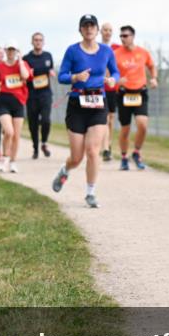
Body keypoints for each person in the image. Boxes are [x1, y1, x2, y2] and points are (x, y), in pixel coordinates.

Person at [52, 14, 118, 208]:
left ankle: (90, 192)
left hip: (98, 103)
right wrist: (76, 77)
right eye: (85, 26)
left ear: (97, 30)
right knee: (77, 157)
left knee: (93, 151)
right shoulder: (72, 51)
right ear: (80, 30)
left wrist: (113, 79)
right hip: (77, 105)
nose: (89, 29)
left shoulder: (106, 51)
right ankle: (65, 170)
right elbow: (62, 76)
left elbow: (115, 71)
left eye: (92, 26)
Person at [114, 25, 158, 170]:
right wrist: (116, 80)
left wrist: (154, 78)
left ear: (133, 36)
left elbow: (152, 66)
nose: (123, 38)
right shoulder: (116, 54)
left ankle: (137, 152)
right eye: (121, 36)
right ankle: (124, 157)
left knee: (143, 125)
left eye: (125, 36)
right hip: (124, 93)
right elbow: (109, 73)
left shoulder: (143, 53)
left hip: (140, 92)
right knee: (125, 129)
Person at [0, 41, 31, 173]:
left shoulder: (23, 65)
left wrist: (20, 61)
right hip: (4, 102)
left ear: (17, 51)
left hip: (19, 102)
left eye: (14, 50)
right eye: (9, 50)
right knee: (9, 132)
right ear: (6, 51)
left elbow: (25, 76)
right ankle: (4, 159)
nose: (11, 52)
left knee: (16, 135)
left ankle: (12, 162)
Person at [22, 32, 56, 159]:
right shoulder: (27, 58)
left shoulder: (48, 56)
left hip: (46, 94)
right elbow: (23, 75)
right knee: (33, 123)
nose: (38, 42)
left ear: (43, 42)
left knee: (46, 120)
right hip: (31, 95)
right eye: (36, 40)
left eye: (40, 40)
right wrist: (28, 74)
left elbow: (50, 69)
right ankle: (35, 148)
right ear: (32, 42)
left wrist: (52, 73)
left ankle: (44, 143)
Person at [99, 22, 118, 162]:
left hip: (112, 88)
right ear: (101, 31)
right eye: (105, 30)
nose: (107, 32)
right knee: (103, 118)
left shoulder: (117, 48)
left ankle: (108, 144)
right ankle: (104, 148)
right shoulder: (96, 47)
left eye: (110, 30)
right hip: (99, 88)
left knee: (111, 119)